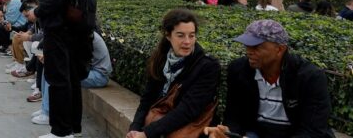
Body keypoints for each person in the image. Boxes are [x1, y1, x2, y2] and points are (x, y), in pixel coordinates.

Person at [206, 20, 335, 138]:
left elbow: (313, 130)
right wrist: (228, 132)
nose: (249, 51)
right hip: (255, 133)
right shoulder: (238, 69)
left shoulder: (310, 77)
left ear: (279, 49)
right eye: (247, 45)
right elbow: (234, 116)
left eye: (256, 47)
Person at [33, 0, 93, 138]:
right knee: (71, 79)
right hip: (71, 29)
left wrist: (37, 12)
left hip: (57, 30)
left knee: (58, 80)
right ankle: (70, 128)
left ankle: (60, 132)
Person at [128, 8, 220, 138]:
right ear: (168, 35)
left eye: (192, 35)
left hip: (190, 127)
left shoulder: (207, 66)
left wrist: (146, 133)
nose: (187, 42)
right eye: (180, 35)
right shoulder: (160, 59)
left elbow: (188, 110)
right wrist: (134, 129)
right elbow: (147, 99)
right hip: (160, 122)